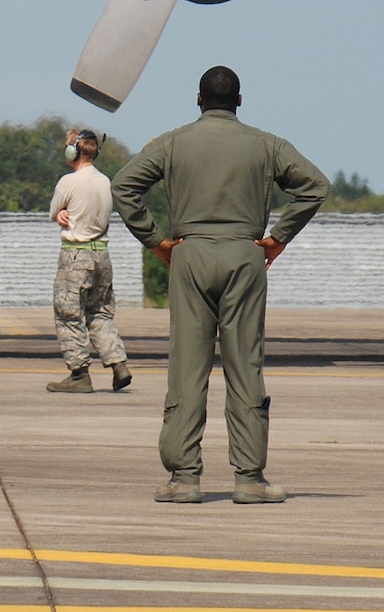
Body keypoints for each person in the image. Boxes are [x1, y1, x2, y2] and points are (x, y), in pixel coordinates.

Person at [112, 66, 328, 504]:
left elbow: (123, 185)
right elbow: (315, 186)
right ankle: (249, 478)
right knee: (244, 366)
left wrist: (157, 241)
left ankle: (184, 477)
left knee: (187, 368)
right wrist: (277, 238)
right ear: (240, 101)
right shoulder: (267, 144)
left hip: (188, 256)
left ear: (198, 100)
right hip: (245, 255)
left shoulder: (173, 142)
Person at [47, 127, 131, 394]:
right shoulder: (106, 181)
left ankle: (79, 372)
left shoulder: (68, 182)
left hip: (76, 253)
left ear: (73, 150)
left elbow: (53, 211)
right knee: (100, 313)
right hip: (101, 255)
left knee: (69, 313)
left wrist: (61, 212)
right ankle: (117, 363)